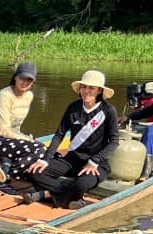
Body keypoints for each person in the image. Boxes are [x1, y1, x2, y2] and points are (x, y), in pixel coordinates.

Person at [20, 69, 121, 209]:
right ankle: (70, 198)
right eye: (84, 87)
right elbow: (59, 135)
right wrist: (45, 159)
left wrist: (94, 161)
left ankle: (45, 195)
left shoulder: (108, 110)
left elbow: (114, 141)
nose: (86, 91)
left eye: (91, 88)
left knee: (82, 183)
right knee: (35, 172)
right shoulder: (73, 108)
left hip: (96, 163)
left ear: (99, 91)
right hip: (72, 158)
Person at [0, 60, 45, 182]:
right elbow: (3, 130)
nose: (25, 82)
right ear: (15, 77)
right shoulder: (4, 96)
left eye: (29, 80)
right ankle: (10, 175)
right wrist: (25, 138)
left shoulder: (29, 96)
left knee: (43, 150)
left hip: (12, 141)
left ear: (32, 83)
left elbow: (15, 128)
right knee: (39, 149)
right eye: (22, 78)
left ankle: (6, 168)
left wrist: (23, 138)